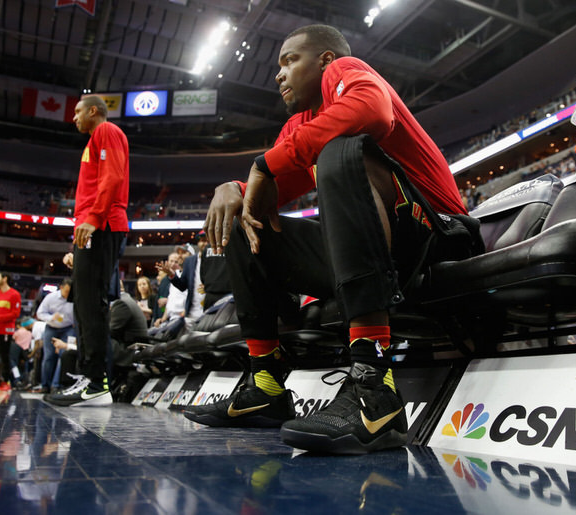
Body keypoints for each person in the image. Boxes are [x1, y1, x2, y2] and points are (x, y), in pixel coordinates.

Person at [185, 25, 478, 454]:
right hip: (381, 251)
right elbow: (270, 183)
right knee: (243, 221)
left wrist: (264, 163)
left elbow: (373, 112)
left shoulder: (346, 70)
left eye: (290, 61)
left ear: (323, 61)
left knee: (341, 150)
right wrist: (234, 187)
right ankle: (265, 382)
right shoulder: (300, 126)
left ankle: (373, 384)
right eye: (278, 66)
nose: (279, 75)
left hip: (440, 235)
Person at [45, 94, 129, 407]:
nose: (74, 117)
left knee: (91, 304)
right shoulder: (96, 139)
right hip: (96, 227)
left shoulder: (106, 131)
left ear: (93, 111)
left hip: (104, 224)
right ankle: (92, 377)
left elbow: (112, 176)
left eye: (78, 111)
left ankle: (97, 383)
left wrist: (92, 219)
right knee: (85, 304)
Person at [35, 278, 75, 393]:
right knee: (49, 357)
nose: (68, 294)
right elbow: (40, 313)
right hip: (51, 328)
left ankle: (56, 385)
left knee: (65, 356)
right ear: (61, 288)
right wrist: (50, 318)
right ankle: (45, 385)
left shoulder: (74, 299)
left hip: (68, 329)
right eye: (67, 291)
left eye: (70, 292)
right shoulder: (50, 298)